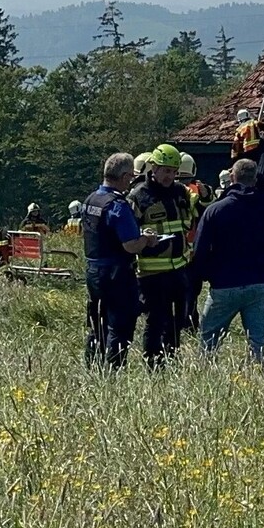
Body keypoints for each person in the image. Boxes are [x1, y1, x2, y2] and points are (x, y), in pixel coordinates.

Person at [194, 158, 264, 364]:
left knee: (209, 338)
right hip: (260, 282)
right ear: (256, 178)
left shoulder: (215, 210)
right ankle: (260, 380)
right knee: (258, 340)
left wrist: (205, 276)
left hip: (225, 283)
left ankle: (205, 376)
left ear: (232, 177)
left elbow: (200, 250)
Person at [83, 153, 163, 370]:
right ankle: (114, 371)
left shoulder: (91, 200)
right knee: (120, 326)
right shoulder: (118, 205)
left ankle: (92, 367)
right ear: (125, 176)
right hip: (116, 273)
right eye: (130, 177)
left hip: (93, 270)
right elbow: (130, 245)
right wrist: (146, 239)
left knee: (96, 323)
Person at [127, 144, 194, 370]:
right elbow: (128, 234)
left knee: (178, 320)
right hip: (152, 272)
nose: (169, 176)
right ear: (153, 168)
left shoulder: (181, 193)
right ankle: (153, 365)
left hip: (179, 268)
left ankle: (172, 359)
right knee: (156, 320)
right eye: (164, 170)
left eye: (173, 171)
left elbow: (192, 220)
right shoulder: (138, 196)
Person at [178, 152, 214, 333]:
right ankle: (190, 323)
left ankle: (186, 322)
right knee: (191, 293)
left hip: (175, 250)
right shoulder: (200, 190)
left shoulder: (169, 189)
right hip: (195, 251)